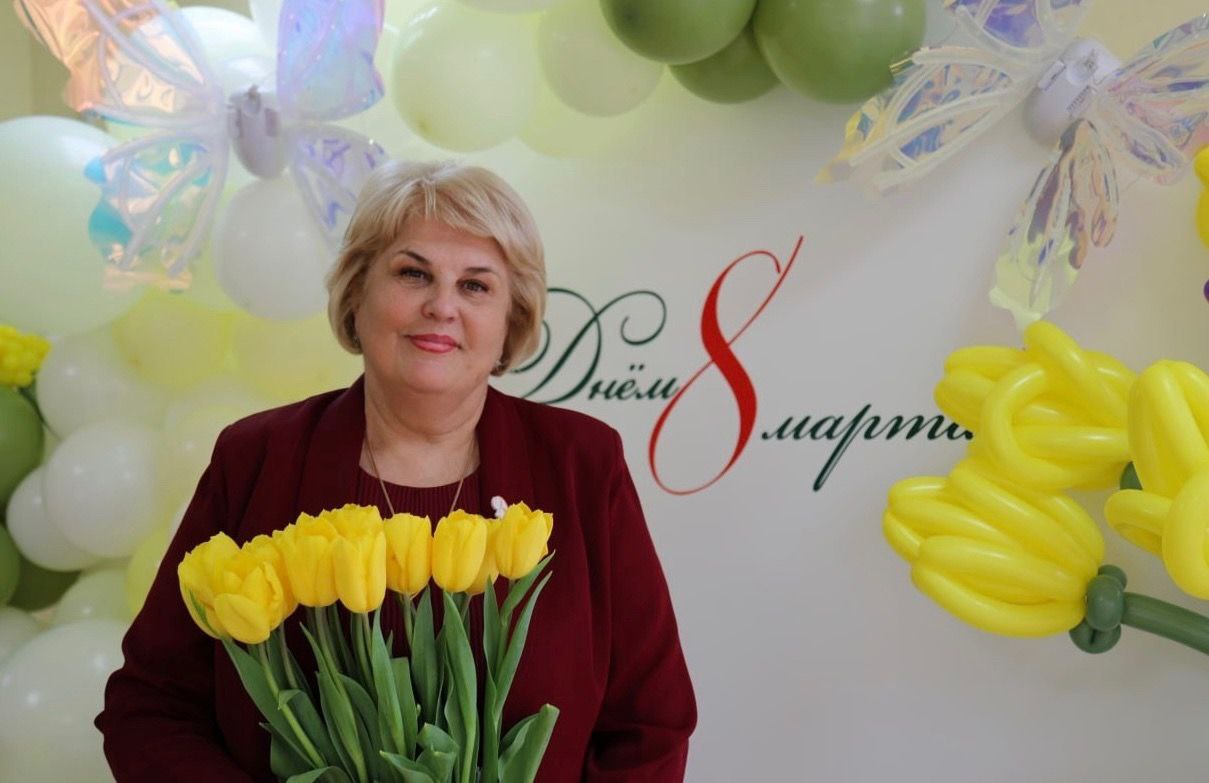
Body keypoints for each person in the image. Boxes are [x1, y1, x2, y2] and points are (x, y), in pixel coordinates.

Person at [95, 160, 697, 782]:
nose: (442, 306)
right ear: (357, 293)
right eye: (413, 273)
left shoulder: (583, 464)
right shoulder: (255, 459)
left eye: (476, 286)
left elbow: (651, 723)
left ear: (511, 318)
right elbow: (151, 705)